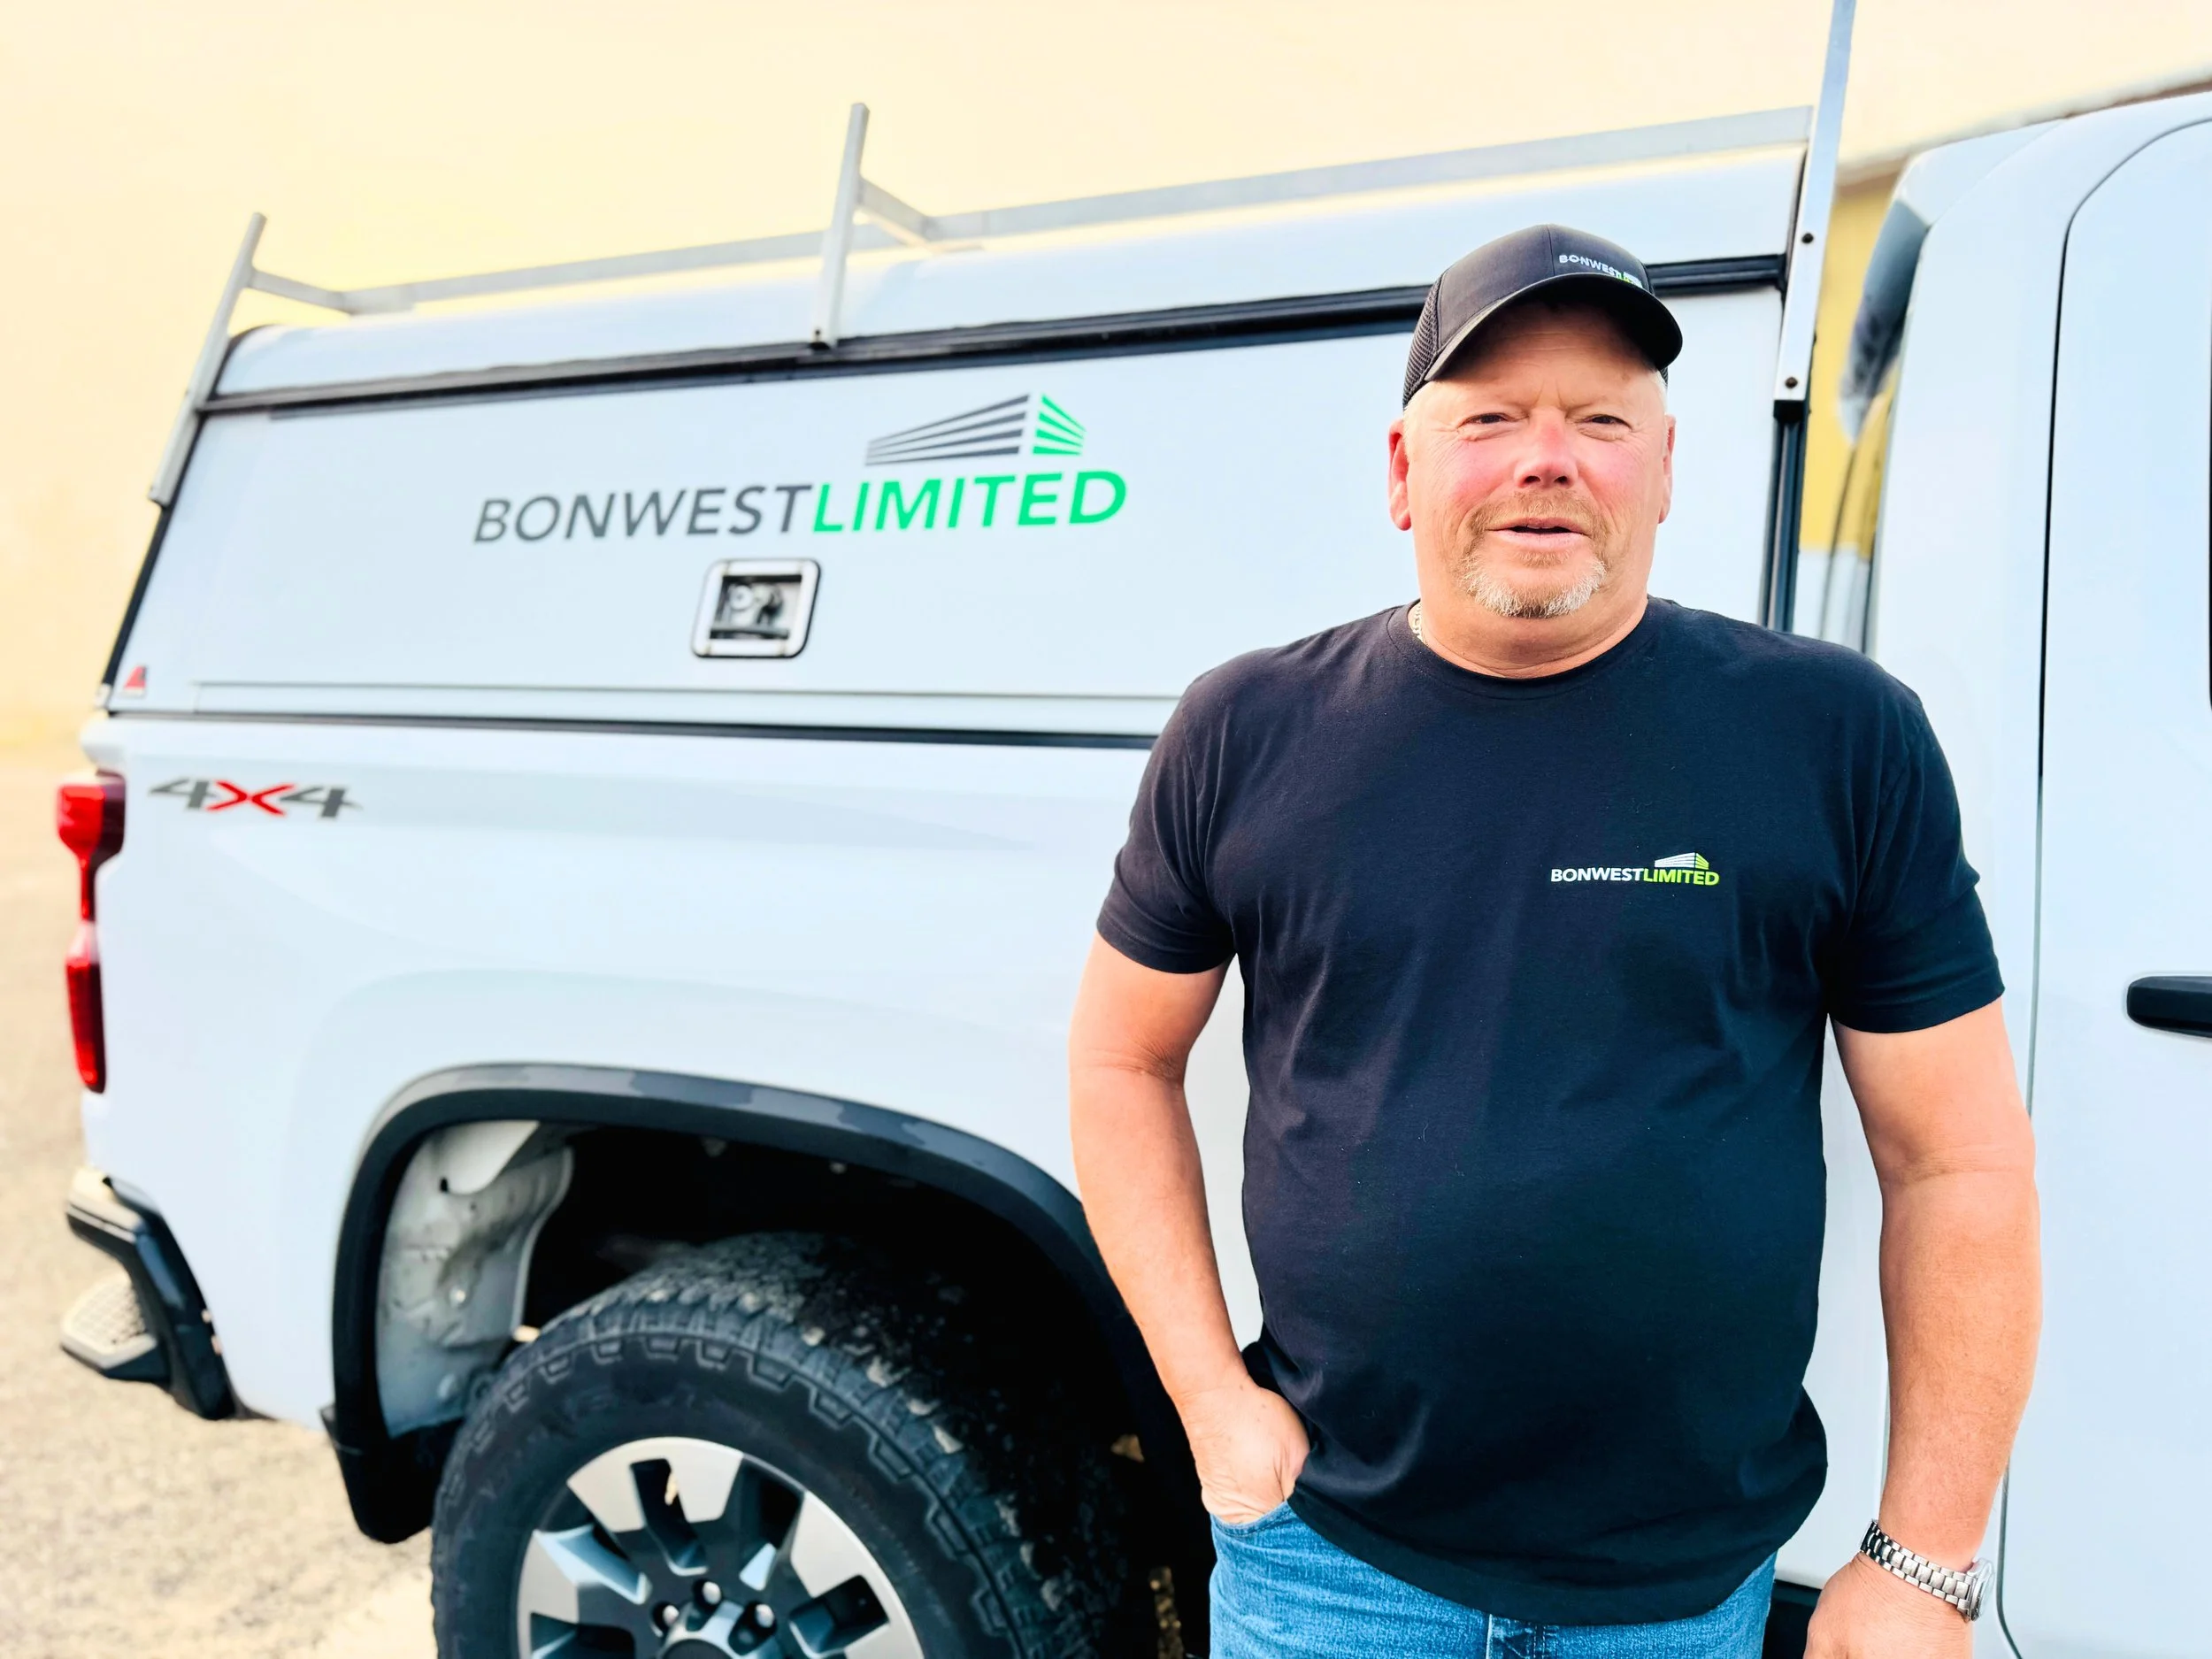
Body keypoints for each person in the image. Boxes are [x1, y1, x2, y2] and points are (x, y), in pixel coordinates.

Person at [1067, 225, 2039, 1658]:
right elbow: (1120, 1059)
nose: (1548, 457)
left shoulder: (1837, 739)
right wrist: (1210, 1396)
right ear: (1404, 471)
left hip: (1677, 1589)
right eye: (1492, 419)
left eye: (1600, 419)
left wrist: (1927, 1556)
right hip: (1328, 1561)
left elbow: (1956, 1159)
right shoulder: (1249, 729)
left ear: (1664, 469)